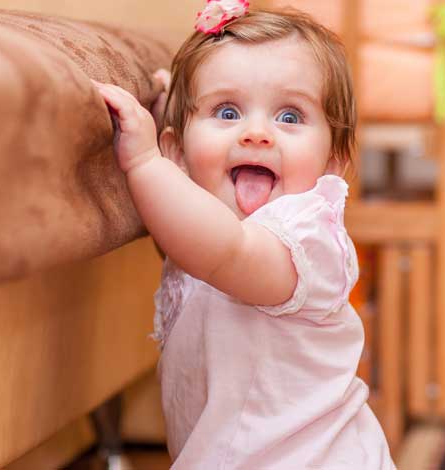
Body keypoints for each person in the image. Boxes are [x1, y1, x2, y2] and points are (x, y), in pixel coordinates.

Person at [93, 1, 395, 468]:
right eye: (228, 111)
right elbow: (181, 230)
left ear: (333, 162)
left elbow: (226, 254)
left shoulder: (306, 242)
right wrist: (169, 150)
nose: (257, 133)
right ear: (178, 149)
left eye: (290, 117)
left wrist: (144, 163)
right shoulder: (199, 222)